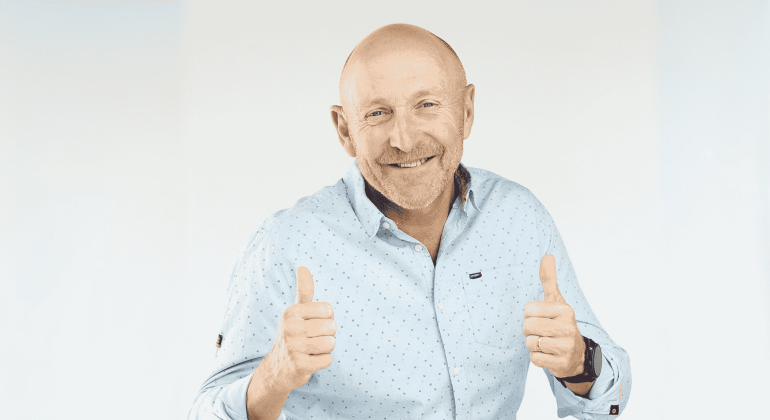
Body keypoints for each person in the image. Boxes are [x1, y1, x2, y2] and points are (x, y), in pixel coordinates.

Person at [188, 23, 631, 420]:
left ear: (467, 111)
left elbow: (607, 396)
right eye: (378, 113)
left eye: (427, 104)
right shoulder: (287, 244)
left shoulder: (518, 218)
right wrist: (274, 376)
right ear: (345, 130)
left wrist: (578, 361)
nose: (404, 139)